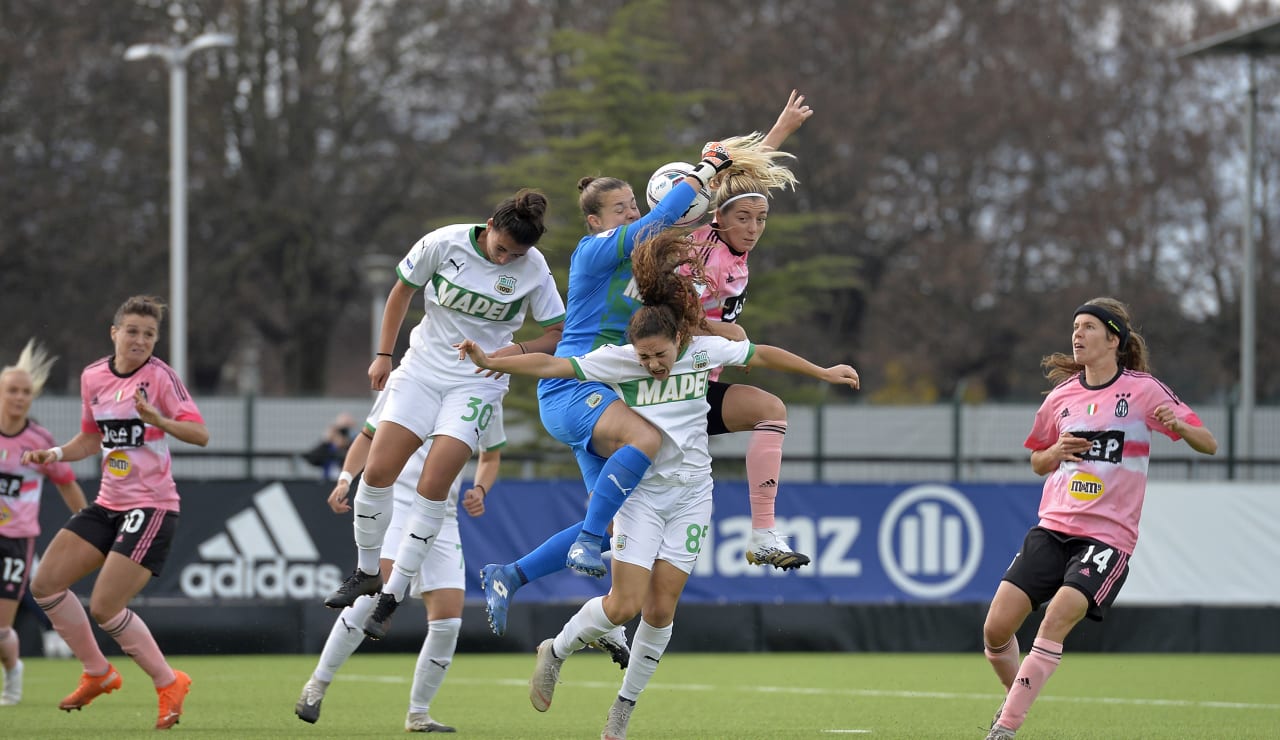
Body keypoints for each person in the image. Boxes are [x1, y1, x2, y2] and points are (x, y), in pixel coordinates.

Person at [456, 227, 859, 739]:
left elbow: (766, 354)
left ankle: (622, 711)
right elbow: (552, 363)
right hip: (642, 500)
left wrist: (823, 372)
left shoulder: (702, 351)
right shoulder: (620, 361)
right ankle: (555, 649)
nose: (652, 366)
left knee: (661, 611)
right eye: (644, 358)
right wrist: (492, 360)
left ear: (679, 343)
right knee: (623, 606)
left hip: (692, 497)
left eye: (659, 356)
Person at [480, 92, 809, 638]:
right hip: (578, 390)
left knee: (611, 523)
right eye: (622, 208)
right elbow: (669, 214)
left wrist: (773, 137)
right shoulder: (595, 252)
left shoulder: (652, 260)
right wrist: (707, 166)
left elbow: (727, 198)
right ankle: (597, 564)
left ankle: (510, 575)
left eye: (635, 205)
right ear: (594, 222)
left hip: (617, 389)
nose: (634, 213)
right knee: (643, 450)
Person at [322, 189, 566, 644]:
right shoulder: (443, 243)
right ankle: (367, 571)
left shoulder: (533, 269)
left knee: (434, 486)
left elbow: (557, 331)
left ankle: (393, 595)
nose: (506, 259)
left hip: (478, 382)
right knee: (377, 472)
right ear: (490, 226)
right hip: (421, 371)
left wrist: (507, 354)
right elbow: (401, 292)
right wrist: (382, 355)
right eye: (502, 249)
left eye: (517, 254)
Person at [982, 297, 1218, 740]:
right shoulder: (1062, 397)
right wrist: (1055, 452)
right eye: (1074, 326)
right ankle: (1016, 698)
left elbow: (1209, 443)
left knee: (1056, 617)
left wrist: (1182, 428)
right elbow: (1037, 461)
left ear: (1114, 339)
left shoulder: (1144, 390)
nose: (1077, 334)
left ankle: (1005, 728)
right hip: (1052, 528)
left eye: (1088, 326)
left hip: (1107, 538)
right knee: (995, 630)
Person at [21, 295, 209, 730]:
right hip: (109, 504)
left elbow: (200, 434)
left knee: (105, 606)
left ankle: (169, 682)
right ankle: (98, 672)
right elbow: (90, 439)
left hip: (153, 506)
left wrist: (159, 419)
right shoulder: (93, 377)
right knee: (45, 585)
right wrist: (53, 453)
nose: (140, 340)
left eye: (149, 334)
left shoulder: (161, 378)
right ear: (115, 333)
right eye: (133, 331)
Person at [296, 390, 502, 732]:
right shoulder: (410, 379)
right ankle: (317, 685)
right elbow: (367, 436)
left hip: (443, 515)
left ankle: (418, 714)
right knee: (372, 593)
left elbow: (491, 455)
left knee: (449, 620)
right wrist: (346, 478)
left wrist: (480, 489)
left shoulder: (487, 391)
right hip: (399, 503)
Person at [0, 340, 89, 706]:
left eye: (25, 392)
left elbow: (67, 484)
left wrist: (88, 528)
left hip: (16, 541)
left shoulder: (38, 441)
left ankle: (13, 674)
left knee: (1, 628)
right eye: (12, 391)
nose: (19, 398)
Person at [303, 412, 356, 481]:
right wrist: (325, 441)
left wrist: (348, 444)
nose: (343, 433)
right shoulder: (328, 447)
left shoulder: (355, 446)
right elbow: (312, 459)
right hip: (328, 484)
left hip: (350, 484)